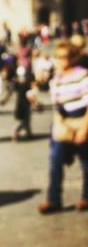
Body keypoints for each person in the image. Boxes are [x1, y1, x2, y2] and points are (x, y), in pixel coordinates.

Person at [38, 39, 88, 213]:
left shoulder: (82, 75)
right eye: (56, 57)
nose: (59, 61)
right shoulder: (57, 77)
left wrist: (84, 129)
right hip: (62, 124)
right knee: (55, 161)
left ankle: (86, 197)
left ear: (72, 58)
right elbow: (56, 103)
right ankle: (53, 199)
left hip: (82, 120)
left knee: (86, 162)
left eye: (63, 57)